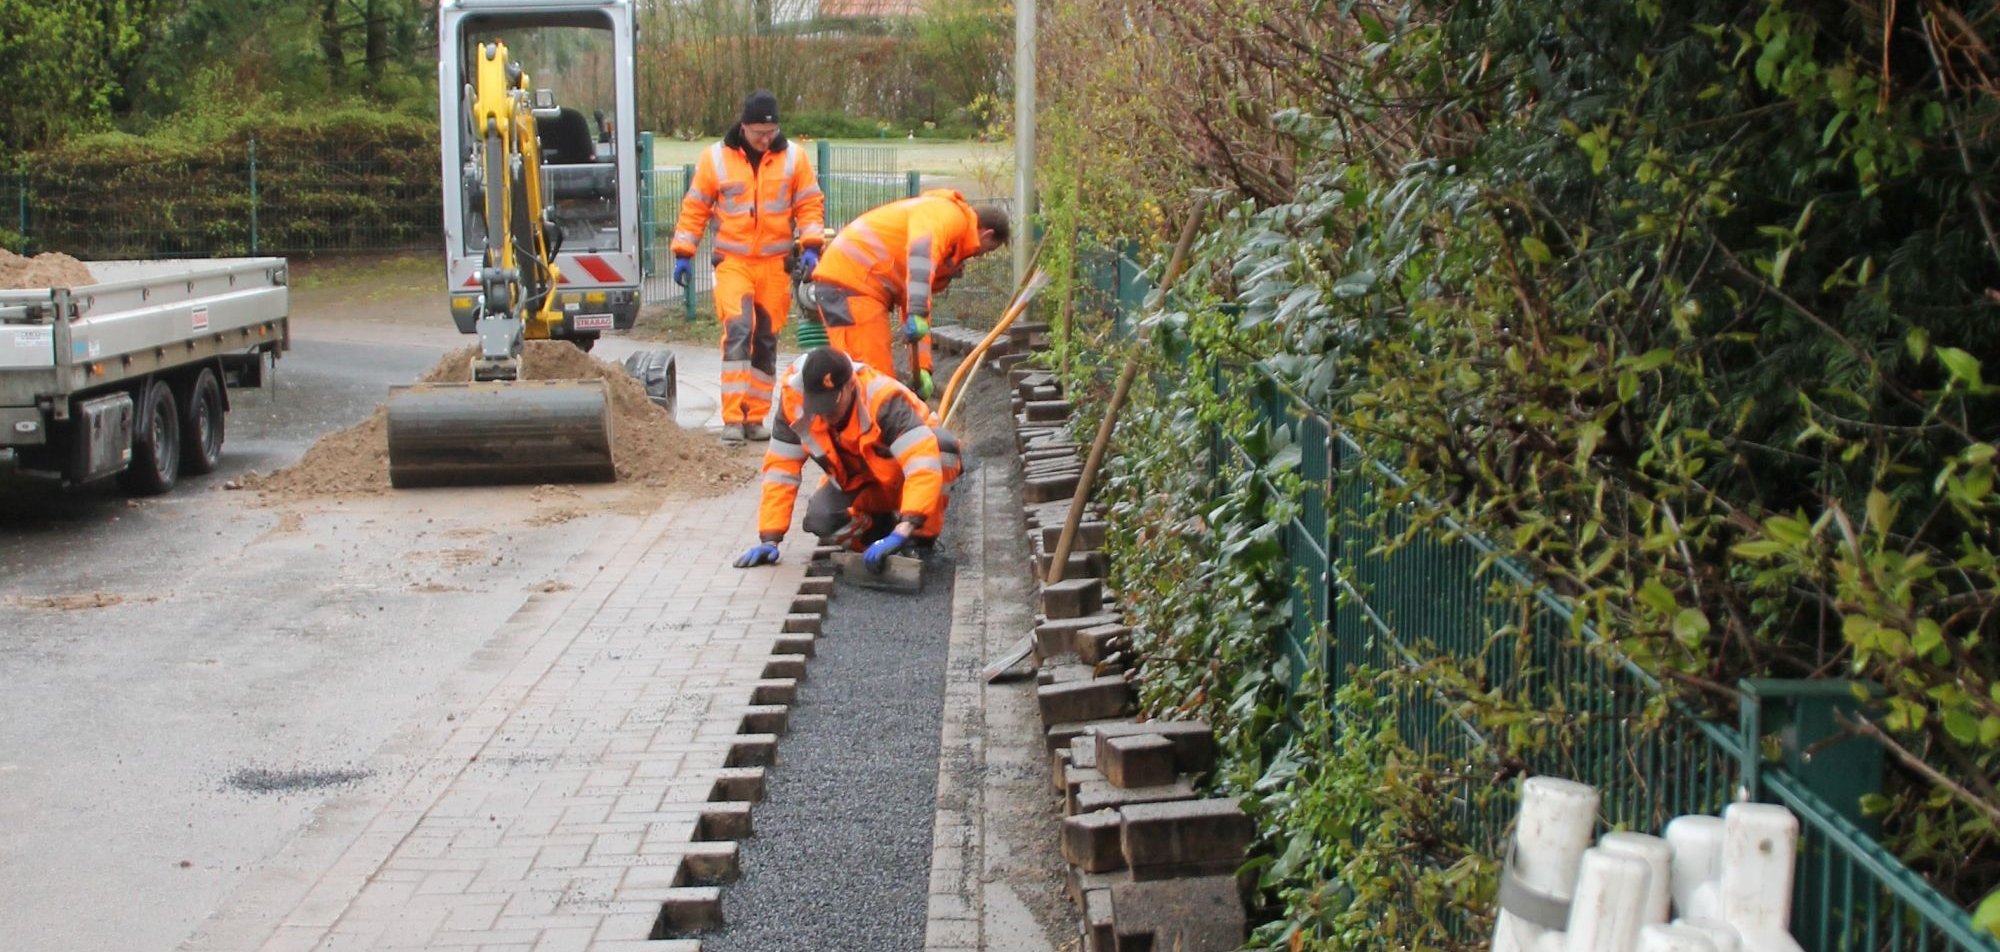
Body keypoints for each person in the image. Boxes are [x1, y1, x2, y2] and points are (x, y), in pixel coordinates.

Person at [671, 90, 826, 445]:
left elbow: (810, 205)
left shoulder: (794, 159)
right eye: (758, 132)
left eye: (771, 133)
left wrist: (812, 247)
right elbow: (696, 207)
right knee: (739, 331)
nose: (765, 139)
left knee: (766, 339)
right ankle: (732, 419)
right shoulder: (716, 159)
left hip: (775, 265)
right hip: (733, 263)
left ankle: (754, 418)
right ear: (744, 127)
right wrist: (684, 251)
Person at [733, 347, 963, 572]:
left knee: (943, 449)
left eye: (831, 406)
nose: (825, 415)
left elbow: (922, 465)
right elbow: (780, 471)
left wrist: (906, 526)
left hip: (904, 482)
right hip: (859, 483)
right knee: (821, 519)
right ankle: (879, 535)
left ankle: (919, 542)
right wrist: (770, 537)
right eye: (818, 406)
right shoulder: (794, 402)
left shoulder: (883, 399)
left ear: (851, 386)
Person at [805, 189, 1008, 401]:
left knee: (870, 382)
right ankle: (876, 433)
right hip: (850, 283)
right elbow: (921, 252)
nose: (979, 256)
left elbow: (916, 310)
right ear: (987, 234)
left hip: (856, 285)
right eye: (986, 251)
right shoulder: (949, 215)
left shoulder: (944, 228)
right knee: (872, 381)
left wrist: (922, 369)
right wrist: (917, 311)